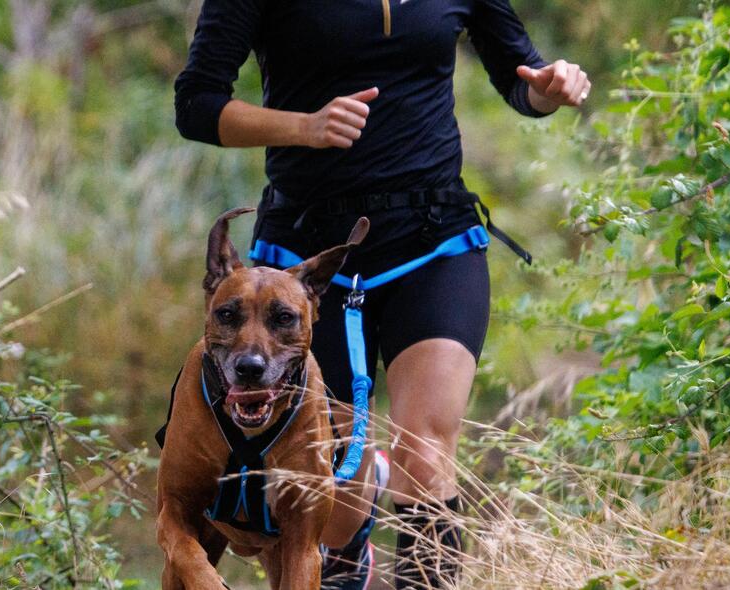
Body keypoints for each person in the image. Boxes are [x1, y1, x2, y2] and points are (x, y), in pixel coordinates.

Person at [170, 0, 591, 587]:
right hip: (307, 263)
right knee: (334, 490)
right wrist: (305, 127)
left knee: (427, 451)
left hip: (434, 242)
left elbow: (522, 79)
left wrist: (549, 87)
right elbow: (196, 105)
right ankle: (352, 543)